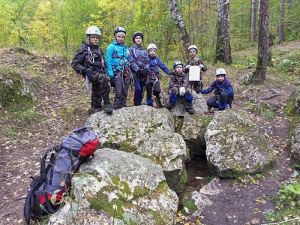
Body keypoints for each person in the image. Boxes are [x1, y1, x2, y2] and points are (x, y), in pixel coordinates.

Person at [71, 26, 113, 114]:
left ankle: (95, 108)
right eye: (93, 37)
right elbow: (74, 63)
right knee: (103, 79)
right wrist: (85, 70)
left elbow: (103, 63)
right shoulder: (84, 49)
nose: (95, 39)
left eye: (97, 37)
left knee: (97, 89)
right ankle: (107, 103)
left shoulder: (99, 49)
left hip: (99, 72)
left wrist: (106, 72)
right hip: (90, 72)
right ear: (89, 38)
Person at [106, 26, 132, 110]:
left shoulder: (125, 47)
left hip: (126, 72)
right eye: (119, 36)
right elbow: (108, 61)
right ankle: (116, 108)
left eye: (122, 37)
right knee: (119, 92)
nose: (121, 38)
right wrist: (110, 74)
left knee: (125, 92)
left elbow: (128, 59)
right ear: (115, 36)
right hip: (117, 72)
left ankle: (123, 107)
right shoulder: (111, 47)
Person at [128, 32, 150, 106]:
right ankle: (136, 104)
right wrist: (137, 69)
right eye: (136, 38)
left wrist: (146, 69)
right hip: (135, 73)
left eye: (140, 38)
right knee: (138, 89)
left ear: (142, 40)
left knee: (142, 90)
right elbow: (130, 60)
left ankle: (139, 104)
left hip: (144, 73)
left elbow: (147, 61)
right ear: (134, 40)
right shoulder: (131, 49)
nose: (138, 39)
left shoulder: (144, 51)